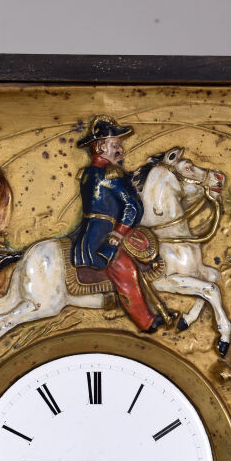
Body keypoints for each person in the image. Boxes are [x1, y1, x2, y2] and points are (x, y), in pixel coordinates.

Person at [72, 115, 163, 333]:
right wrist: (120, 232)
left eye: (119, 146)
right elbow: (133, 206)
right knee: (126, 270)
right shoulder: (110, 175)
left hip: (87, 233)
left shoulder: (87, 173)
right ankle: (146, 322)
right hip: (104, 235)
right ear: (101, 147)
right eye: (115, 146)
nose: (120, 151)